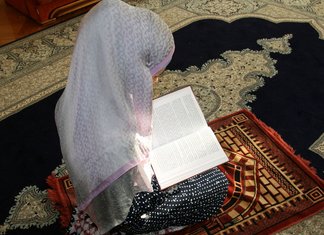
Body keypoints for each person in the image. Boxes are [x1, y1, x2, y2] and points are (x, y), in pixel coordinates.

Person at [55, 0, 228, 234]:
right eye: (150, 71)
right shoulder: (116, 138)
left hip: (114, 183)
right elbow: (130, 172)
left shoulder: (71, 102)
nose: (154, 80)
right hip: (128, 209)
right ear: (131, 66)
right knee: (216, 184)